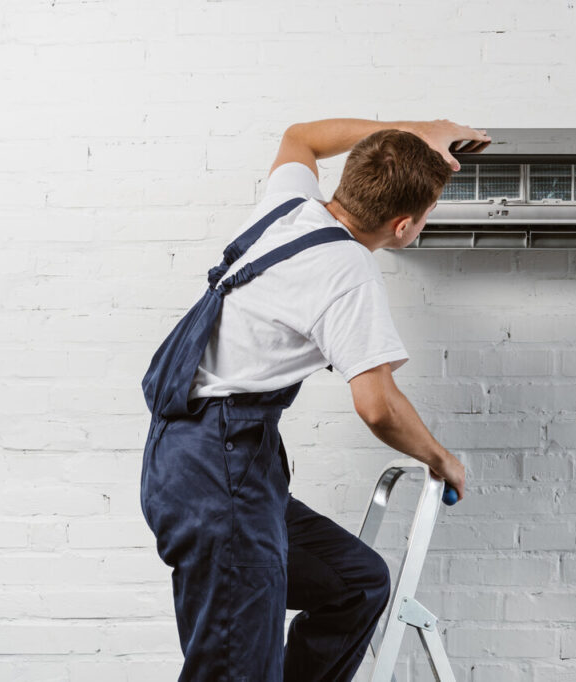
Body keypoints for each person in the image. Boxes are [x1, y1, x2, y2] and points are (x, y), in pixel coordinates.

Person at [139, 118, 490, 681]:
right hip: (218, 472)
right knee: (233, 671)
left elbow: (301, 136)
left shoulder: (289, 208)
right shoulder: (350, 273)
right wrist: (441, 458)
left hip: (203, 459)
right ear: (403, 226)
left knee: (357, 584)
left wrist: (415, 129)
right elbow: (377, 404)